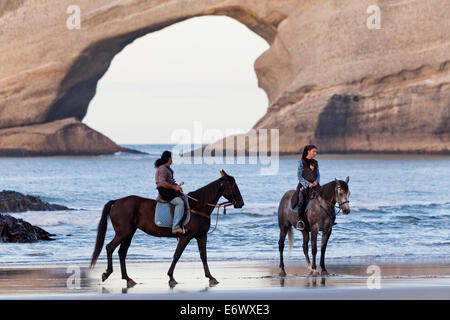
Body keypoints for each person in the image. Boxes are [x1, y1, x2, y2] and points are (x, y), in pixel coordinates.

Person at [154, 151, 185, 234]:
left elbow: (170, 182)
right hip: (164, 193)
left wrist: (178, 188)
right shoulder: (163, 169)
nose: (173, 159)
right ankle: (175, 227)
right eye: (172, 158)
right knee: (180, 203)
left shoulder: (167, 169)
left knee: (184, 198)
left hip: (169, 191)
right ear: (169, 159)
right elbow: (163, 183)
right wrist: (175, 187)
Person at [295, 144, 320, 231]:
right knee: (301, 202)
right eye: (314, 151)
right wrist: (307, 184)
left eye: (316, 152)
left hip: (316, 186)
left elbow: (318, 174)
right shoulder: (301, 162)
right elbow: (299, 176)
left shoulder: (315, 162)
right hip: (304, 187)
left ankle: (328, 218)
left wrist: (317, 181)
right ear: (308, 151)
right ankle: (300, 221)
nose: (315, 153)